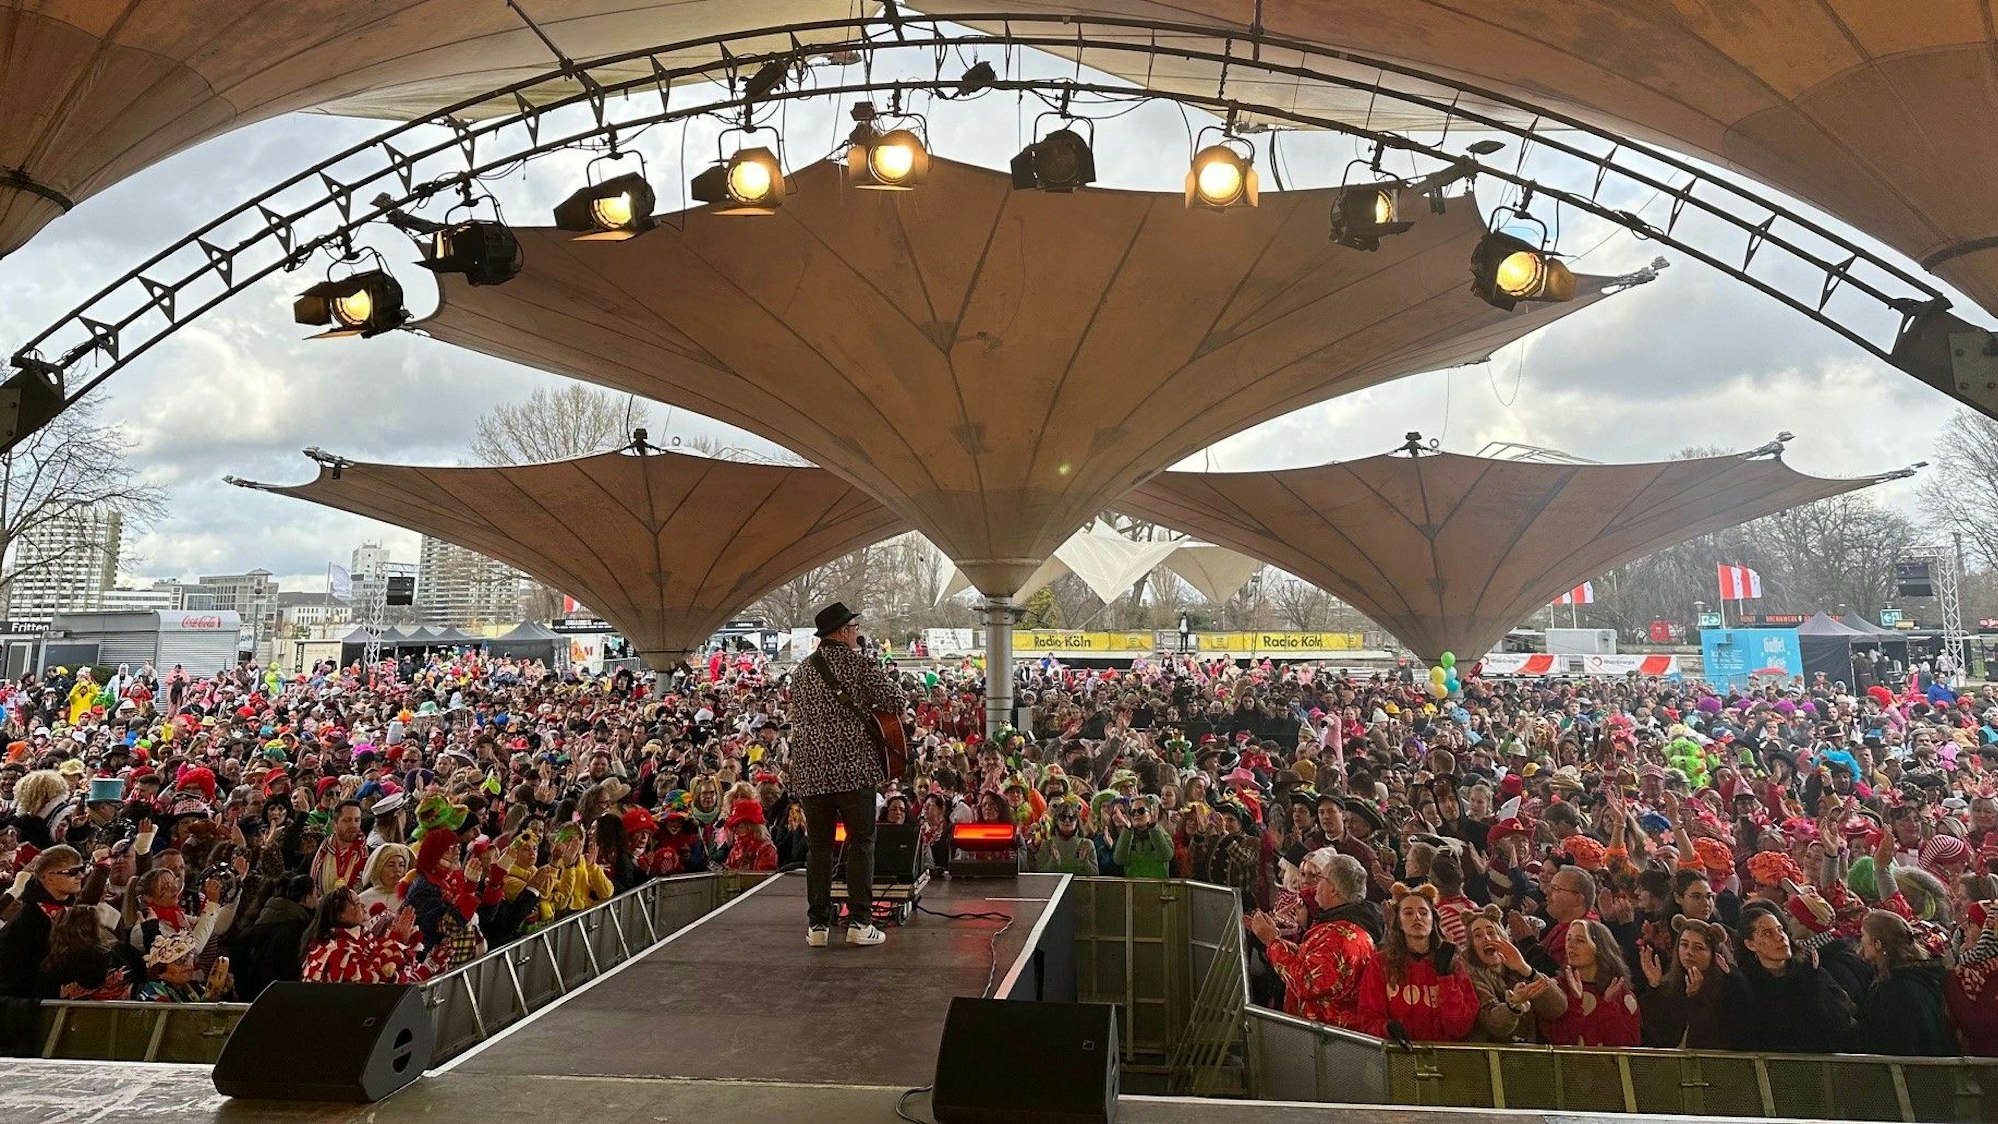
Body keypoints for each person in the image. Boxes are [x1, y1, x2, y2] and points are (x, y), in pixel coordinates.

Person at [790, 602, 904, 948]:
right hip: (853, 772)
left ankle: (818, 927)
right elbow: (895, 701)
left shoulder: (802, 671)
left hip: (810, 774)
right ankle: (859, 922)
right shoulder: (858, 664)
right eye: (854, 628)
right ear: (842, 632)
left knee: (819, 848)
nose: (857, 634)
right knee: (861, 843)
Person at [1248, 851, 1378, 1030]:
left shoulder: (1340, 937)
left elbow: (1306, 982)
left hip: (1326, 1041)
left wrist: (1272, 942)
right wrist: (1274, 937)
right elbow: (1310, 960)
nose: (1315, 887)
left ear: (1333, 889)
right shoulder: (1338, 926)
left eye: (1321, 878)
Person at [1724, 903, 1854, 1052]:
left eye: (1780, 930)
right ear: (1750, 944)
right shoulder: (1744, 983)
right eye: (1767, 933)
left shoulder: (1810, 971)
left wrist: (1816, 985)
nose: (1780, 937)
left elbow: (1841, 1021)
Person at [1357, 883, 1477, 1042]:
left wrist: (1445, 977)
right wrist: (1386, 1028)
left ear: (1432, 920)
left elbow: (1460, 1027)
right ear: (1399, 922)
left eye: (1423, 912)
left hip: (1443, 1056)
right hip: (1398, 1056)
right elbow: (1368, 1018)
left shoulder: (1454, 964)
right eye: (1408, 913)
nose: (1417, 917)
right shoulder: (1380, 963)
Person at [1849, 909, 1957, 1055]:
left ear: (1878, 944)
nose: (1860, 940)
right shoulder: (1920, 977)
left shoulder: (1894, 989)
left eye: (1863, 935)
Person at [1462, 905, 1566, 1042]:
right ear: (1471, 946)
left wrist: (1526, 969)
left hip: (1528, 1054)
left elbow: (1557, 1008)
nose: (1486, 938)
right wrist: (1514, 1005)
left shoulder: (1518, 967)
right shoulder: (1470, 976)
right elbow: (1494, 1025)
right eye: (1478, 935)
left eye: (1491, 932)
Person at [0, 845, 87, 997]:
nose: (80, 876)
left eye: (82, 869)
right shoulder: (26, 921)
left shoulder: (75, 910)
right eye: (73, 872)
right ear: (49, 877)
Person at [1541, 919, 1642, 1046]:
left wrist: (1608, 1006)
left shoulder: (1621, 994)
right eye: (1568, 939)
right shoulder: (1557, 988)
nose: (1570, 945)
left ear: (1599, 948)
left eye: (1580, 940)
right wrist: (1575, 1002)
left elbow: (1627, 1047)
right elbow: (1560, 1041)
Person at [1639, 916, 1733, 1048]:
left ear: (1713, 954)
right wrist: (1655, 988)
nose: (1689, 952)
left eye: (1698, 948)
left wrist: (1697, 998)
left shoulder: (1726, 986)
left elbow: (1717, 1036)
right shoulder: (1668, 984)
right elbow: (1656, 1035)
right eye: (1684, 945)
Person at [300, 886, 418, 984]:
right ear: (340, 915)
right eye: (356, 904)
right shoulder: (336, 949)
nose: (363, 907)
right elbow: (374, 980)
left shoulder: (362, 936)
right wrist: (396, 940)